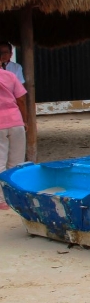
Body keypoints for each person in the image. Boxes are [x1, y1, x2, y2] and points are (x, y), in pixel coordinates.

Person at [0, 68, 27, 210]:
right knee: (16, 162)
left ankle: (2, 200)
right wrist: (25, 119)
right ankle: (15, 196)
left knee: (0, 162)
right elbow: (21, 99)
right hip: (16, 121)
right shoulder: (10, 75)